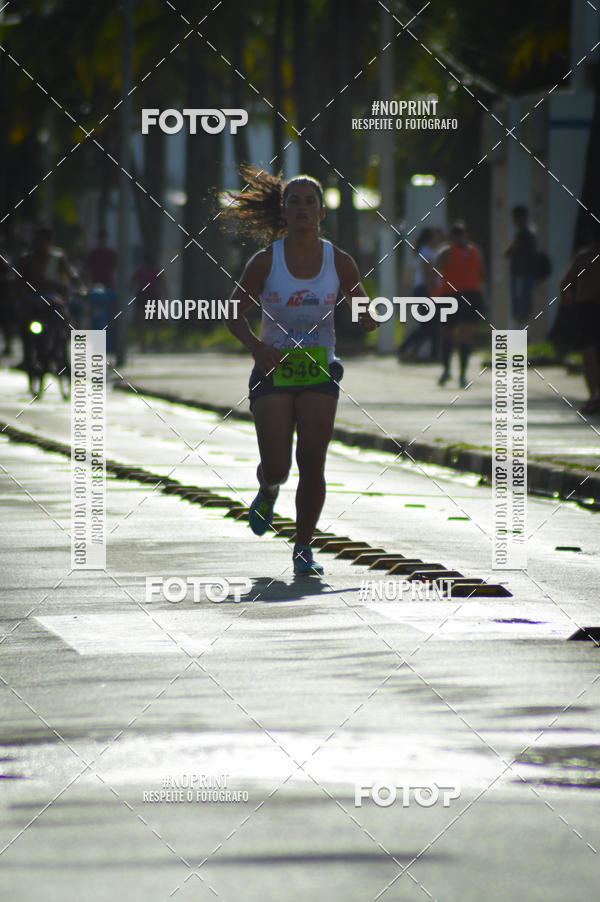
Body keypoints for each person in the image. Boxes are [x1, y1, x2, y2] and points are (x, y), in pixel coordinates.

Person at [222, 165, 377, 575]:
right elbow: (233, 314)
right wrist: (257, 348)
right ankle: (268, 488)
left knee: (313, 461)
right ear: (285, 211)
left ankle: (304, 546)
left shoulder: (338, 261)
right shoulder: (264, 261)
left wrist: (367, 317)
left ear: (321, 212)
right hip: (274, 370)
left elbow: (360, 303)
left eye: (311, 202)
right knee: (278, 465)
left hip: (318, 370)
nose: (303, 209)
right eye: (295, 202)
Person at [17, 226, 79, 371]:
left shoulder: (58, 258)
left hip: (53, 300)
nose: (41, 244)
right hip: (32, 300)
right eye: (38, 241)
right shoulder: (26, 259)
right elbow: (18, 280)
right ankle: (28, 358)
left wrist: (80, 287)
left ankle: (64, 359)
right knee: (23, 320)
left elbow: (72, 274)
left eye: (44, 241)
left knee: (63, 322)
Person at [435, 221, 485, 388]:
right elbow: (438, 267)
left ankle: (462, 374)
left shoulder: (473, 251)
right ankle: (447, 370)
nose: (459, 238)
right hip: (451, 296)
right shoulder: (448, 251)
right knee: (448, 333)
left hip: (467, 295)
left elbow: (481, 273)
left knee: (465, 334)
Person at [559, 219, 600, 414]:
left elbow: (566, 282)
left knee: (589, 354)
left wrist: (566, 294)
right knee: (589, 353)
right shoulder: (585, 257)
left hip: (587, 307)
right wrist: (566, 293)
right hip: (587, 308)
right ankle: (594, 395)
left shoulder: (585, 257)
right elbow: (567, 282)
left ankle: (594, 395)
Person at [398, 226, 443, 361]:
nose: (438, 239)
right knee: (428, 325)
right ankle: (405, 347)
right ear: (430, 238)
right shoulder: (427, 252)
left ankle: (433, 354)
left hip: (424, 290)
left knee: (432, 324)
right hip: (426, 290)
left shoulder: (426, 251)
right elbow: (427, 273)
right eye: (435, 236)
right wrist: (432, 292)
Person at [504, 205, 537, 327]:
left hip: (520, 274)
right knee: (524, 306)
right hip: (527, 274)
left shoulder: (523, 233)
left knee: (519, 308)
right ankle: (524, 335)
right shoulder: (532, 232)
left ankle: (520, 337)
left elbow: (509, 251)